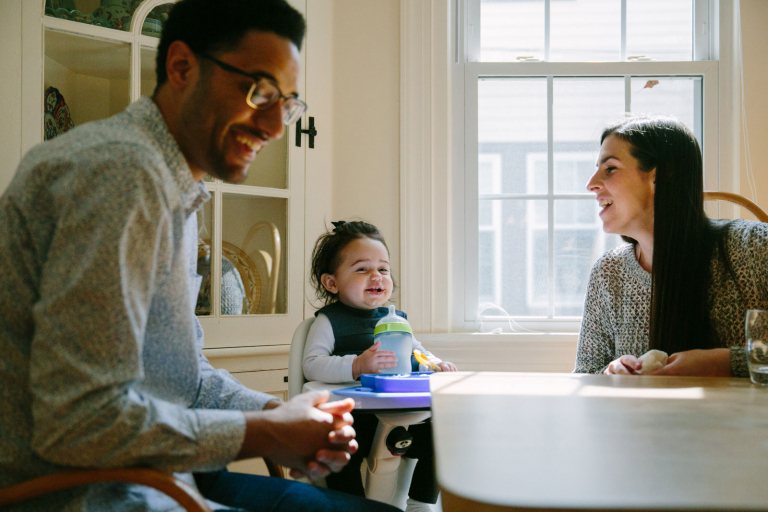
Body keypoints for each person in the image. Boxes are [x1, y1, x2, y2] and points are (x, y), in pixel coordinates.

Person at [0, 1, 401, 511]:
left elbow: (185, 375)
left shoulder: (174, 191)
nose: (278, 125)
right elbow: (80, 423)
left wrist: (283, 414)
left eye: (288, 103)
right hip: (91, 493)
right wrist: (264, 433)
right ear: (182, 67)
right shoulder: (120, 175)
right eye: (260, 92)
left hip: (166, 474)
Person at [574, 115, 768, 376]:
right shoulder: (608, 273)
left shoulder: (754, 248)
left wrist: (723, 363)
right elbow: (585, 375)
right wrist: (610, 374)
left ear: (661, 177)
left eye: (610, 169)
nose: (591, 184)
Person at [303, 220, 458, 512]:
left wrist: (435, 364)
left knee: (441, 436)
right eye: (362, 268)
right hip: (356, 416)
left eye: (383, 269)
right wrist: (357, 365)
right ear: (331, 283)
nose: (376, 275)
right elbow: (312, 365)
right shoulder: (328, 322)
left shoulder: (397, 320)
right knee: (337, 451)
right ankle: (353, 506)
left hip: (401, 412)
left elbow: (417, 352)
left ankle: (421, 503)